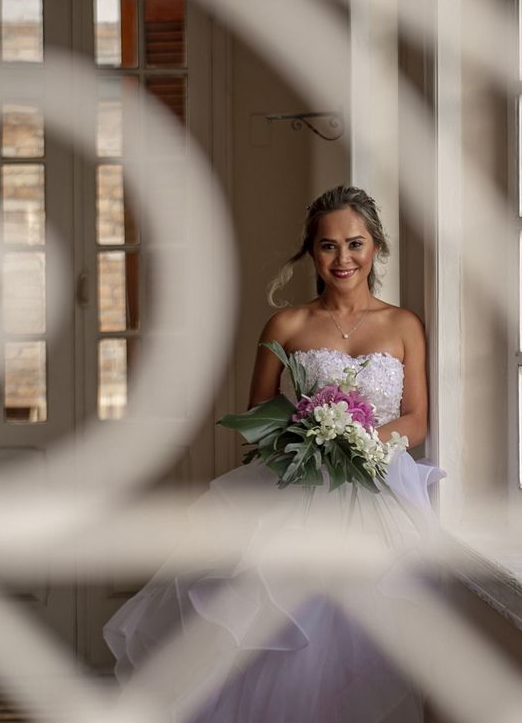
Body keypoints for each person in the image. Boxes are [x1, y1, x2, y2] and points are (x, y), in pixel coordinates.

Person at [104, 186, 444, 722]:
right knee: (277, 619)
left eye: (355, 244)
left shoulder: (404, 326)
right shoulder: (286, 325)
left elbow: (417, 421)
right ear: (311, 251)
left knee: (365, 628)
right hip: (297, 491)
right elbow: (258, 416)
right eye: (327, 246)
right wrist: (313, 436)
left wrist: (357, 440)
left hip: (379, 493)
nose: (342, 259)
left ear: (376, 247)